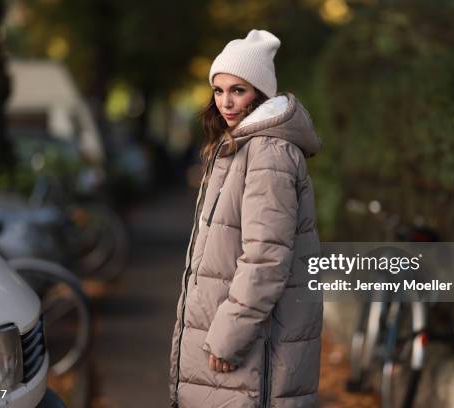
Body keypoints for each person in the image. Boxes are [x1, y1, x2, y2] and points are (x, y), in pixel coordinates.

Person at [169, 29, 323, 408]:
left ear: (261, 93)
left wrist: (229, 336)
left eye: (238, 90)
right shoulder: (239, 147)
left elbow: (266, 257)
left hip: (248, 347)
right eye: (219, 90)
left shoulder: (268, 152)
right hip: (228, 339)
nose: (226, 102)